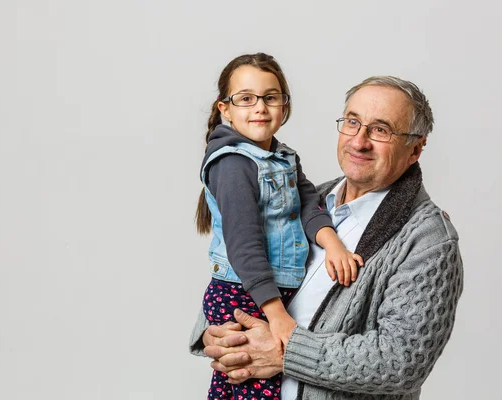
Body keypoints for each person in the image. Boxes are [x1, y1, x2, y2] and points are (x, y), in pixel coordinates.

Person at [190, 76, 464, 400]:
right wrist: (213, 335)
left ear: (415, 148)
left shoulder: (428, 241)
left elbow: (399, 363)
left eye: (380, 130)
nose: (359, 141)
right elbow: (238, 268)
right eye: (352, 122)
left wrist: (284, 352)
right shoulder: (301, 201)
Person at [194, 52, 364, 400]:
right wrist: (277, 316)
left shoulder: (283, 157)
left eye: (270, 98)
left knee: (266, 384)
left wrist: (332, 243)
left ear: (284, 107)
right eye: (246, 99)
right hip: (242, 292)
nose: (260, 108)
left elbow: (307, 202)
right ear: (224, 109)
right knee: (249, 384)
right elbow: (246, 246)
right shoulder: (232, 165)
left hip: (270, 291)